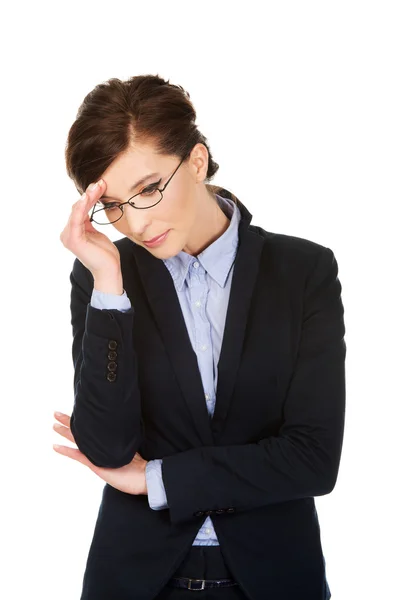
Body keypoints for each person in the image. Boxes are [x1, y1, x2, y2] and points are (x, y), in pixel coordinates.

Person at [54, 74, 345, 600]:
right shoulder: (105, 276)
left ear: (195, 161)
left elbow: (313, 459)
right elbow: (106, 445)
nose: (134, 224)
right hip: (138, 581)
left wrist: (159, 480)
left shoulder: (304, 271)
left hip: (275, 579)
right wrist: (109, 285)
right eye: (113, 205)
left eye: (146, 190)